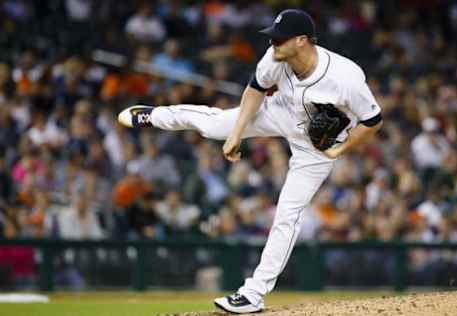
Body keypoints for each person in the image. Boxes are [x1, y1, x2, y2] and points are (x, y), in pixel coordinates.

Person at [118, 9, 382, 314]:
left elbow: (373, 120)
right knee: (215, 125)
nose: (273, 42)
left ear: (301, 41)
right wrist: (238, 133)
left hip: (316, 148)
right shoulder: (274, 58)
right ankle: (155, 115)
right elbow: (255, 89)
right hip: (280, 110)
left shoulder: (344, 77)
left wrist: (340, 150)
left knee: (288, 215)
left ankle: (253, 295)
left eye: (280, 38)